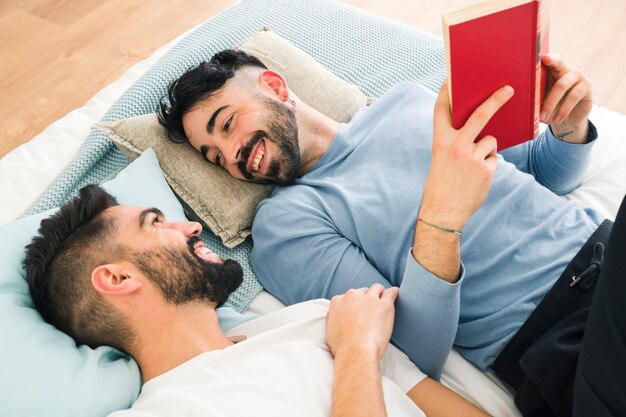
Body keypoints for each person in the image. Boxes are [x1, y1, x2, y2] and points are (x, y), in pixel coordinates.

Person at [157, 49, 626, 416]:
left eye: (227, 125)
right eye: (215, 156)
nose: (231, 154)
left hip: (606, 247)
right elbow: (411, 349)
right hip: (561, 339)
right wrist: (440, 218)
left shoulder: (408, 101)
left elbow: (541, 174)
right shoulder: (286, 227)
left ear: (276, 87)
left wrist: (571, 125)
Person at [24, 184, 490, 417]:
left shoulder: (322, 319)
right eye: (155, 224)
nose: (191, 227)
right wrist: (355, 355)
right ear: (117, 277)